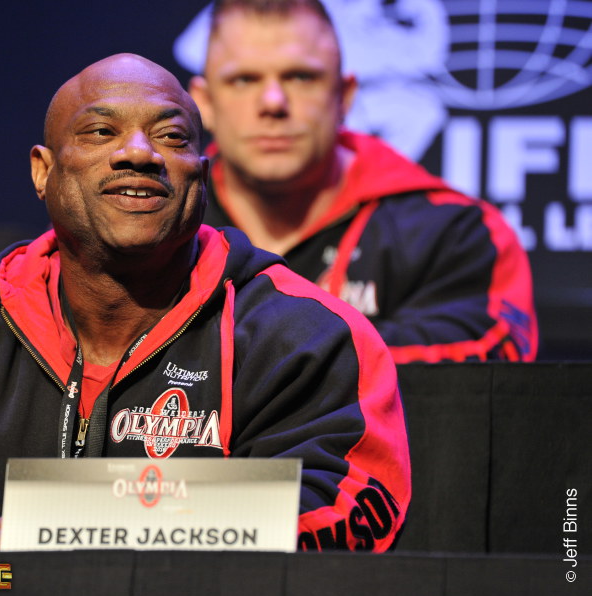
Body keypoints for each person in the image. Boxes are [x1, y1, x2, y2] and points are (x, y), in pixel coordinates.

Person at [0, 53, 410, 553]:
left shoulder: (303, 335)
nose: (140, 154)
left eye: (172, 137)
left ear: (202, 175)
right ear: (43, 171)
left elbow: (346, 517)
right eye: (100, 132)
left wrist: (83, 527)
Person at [186, 0, 538, 363]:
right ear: (204, 103)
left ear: (345, 97)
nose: (273, 102)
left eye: (301, 77)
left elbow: (488, 365)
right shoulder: (163, 223)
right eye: (243, 80)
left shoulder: (455, 233)